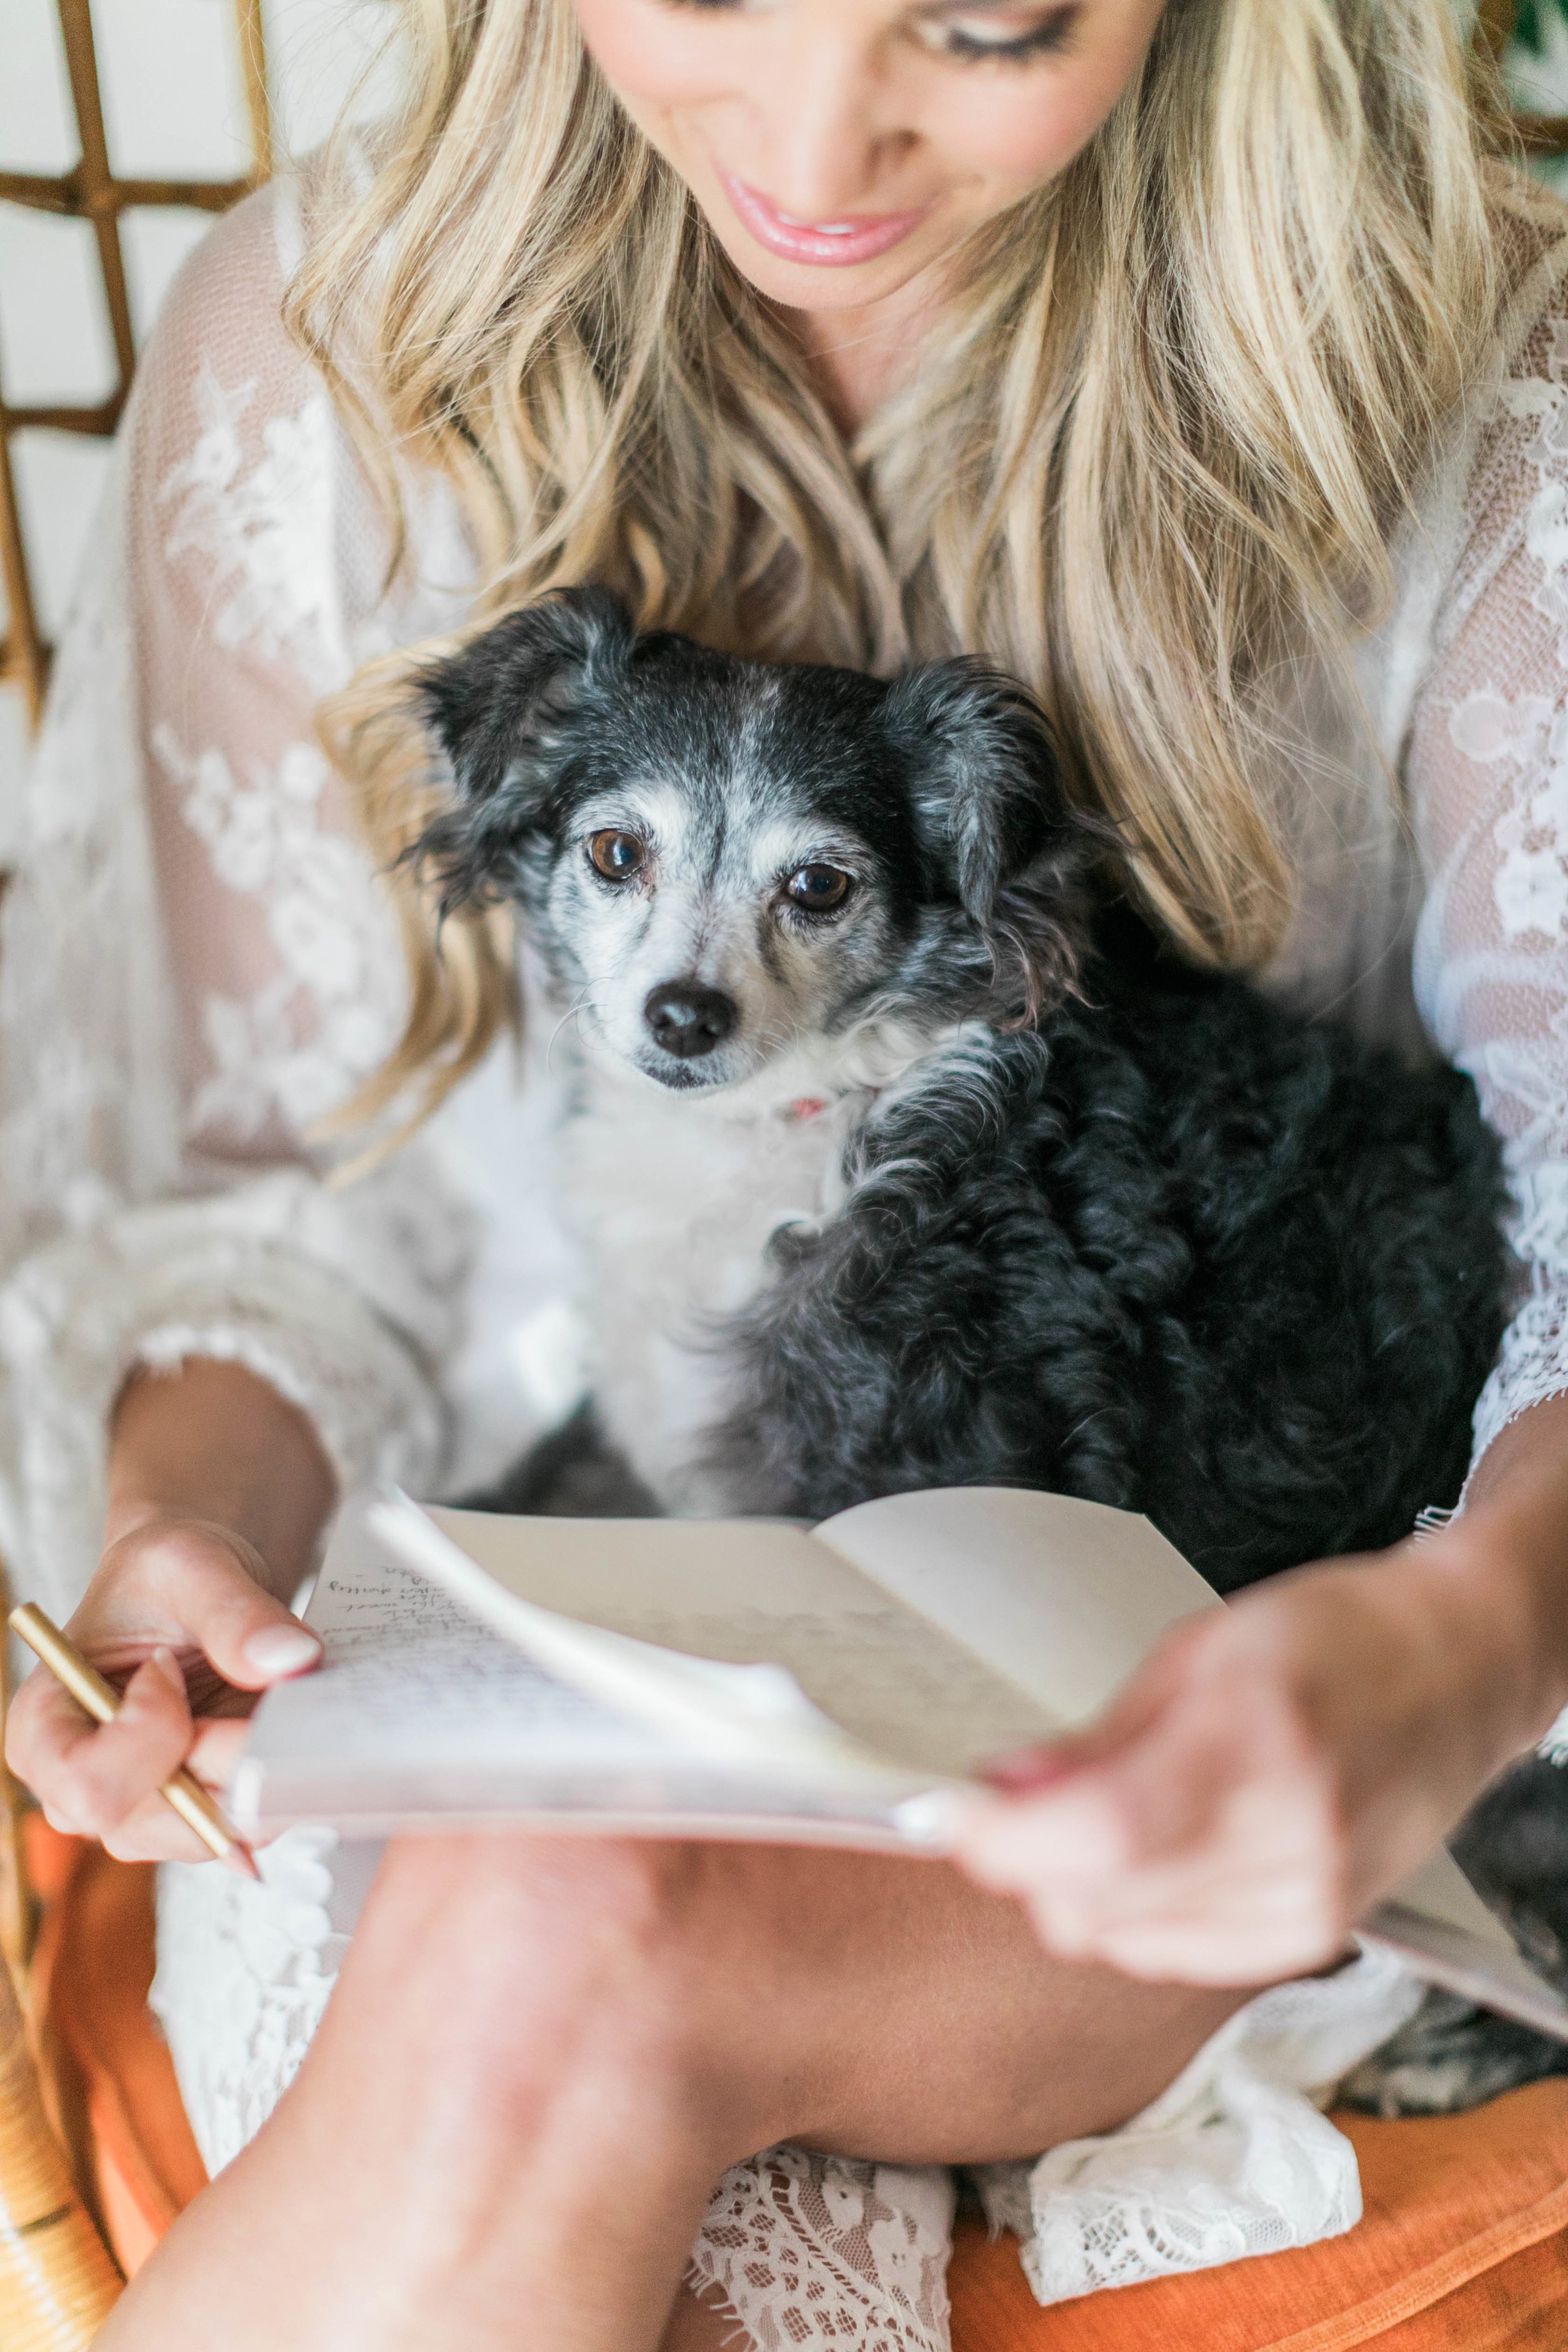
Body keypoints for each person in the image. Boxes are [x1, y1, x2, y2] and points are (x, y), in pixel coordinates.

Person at [5, 1, 1568, 2344]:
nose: (815, 143)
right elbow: (291, 1213)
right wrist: (194, 1526)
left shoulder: (1482, 388)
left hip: (1268, 1730)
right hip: (496, 1657)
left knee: (565, 1932)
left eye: (986, 19)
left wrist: (1460, 1635)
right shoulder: (327, 357)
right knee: (540, 1922)